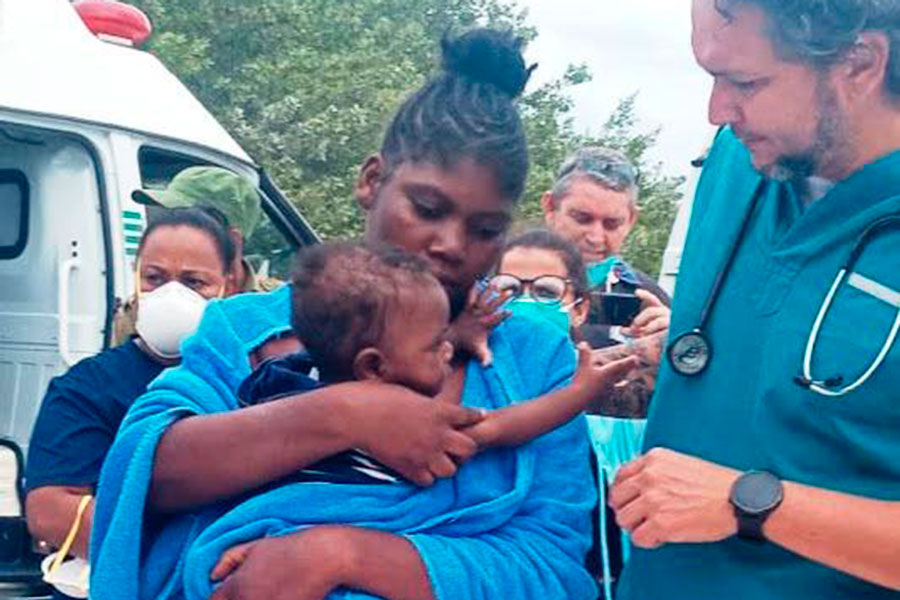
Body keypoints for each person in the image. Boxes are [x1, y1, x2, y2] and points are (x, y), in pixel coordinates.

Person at [91, 29, 607, 600]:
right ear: (371, 181)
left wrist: (340, 554)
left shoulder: (535, 358)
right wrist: (346, 413)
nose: (452, 245)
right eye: (427, 209)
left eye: (486, 230)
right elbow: (147, 476)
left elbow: (552, 567)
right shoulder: (246, 329)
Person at [610, 1, 900, 598]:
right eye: (710, 75)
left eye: (745, 82)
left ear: (861, 62)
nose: (717, 111)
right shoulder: (741, 157)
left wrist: (752, 504)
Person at [24, 207, 238, 599]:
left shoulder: (251, 381)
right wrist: (191, 555)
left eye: (194, 282)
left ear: (230, 285)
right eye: (154, 278)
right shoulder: (88, 386)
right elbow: (49, 510)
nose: (173, 294)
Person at [491, 229, 646, 599]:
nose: (524, 302)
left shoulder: (619, 391)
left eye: (545, 292)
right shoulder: (463, 380)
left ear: (579, 307)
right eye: (509, 289)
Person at [113, 166, 278, 345]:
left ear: (233, 240)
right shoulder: (139, 310)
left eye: (190, 221)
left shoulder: (278, 309)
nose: (174, 227)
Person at [540, 147, 671, 348]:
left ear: (632, 220)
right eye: (582, 219)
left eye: (612, 224)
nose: (595, 237)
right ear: (550, 207)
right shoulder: (495, 280)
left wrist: (670, 346)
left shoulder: (647, 299)